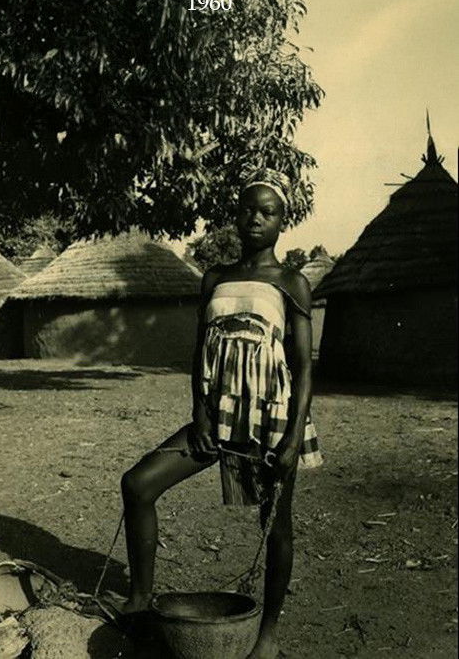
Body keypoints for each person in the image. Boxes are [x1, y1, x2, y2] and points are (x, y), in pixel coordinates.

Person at [118, 165, 323, 658]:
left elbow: (303, 368)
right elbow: (199, 354)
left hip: (271, 422)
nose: (256, 218)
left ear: (282, 220)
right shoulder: (215, 277)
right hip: (216, 418)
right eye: (248, 209)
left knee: (276, 525)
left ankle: (267, 635)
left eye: (267, 211)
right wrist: (201, 413)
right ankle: (140, 602)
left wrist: (293, 438)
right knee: (138, 484)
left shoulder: (291, 282)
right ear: (236, 215)